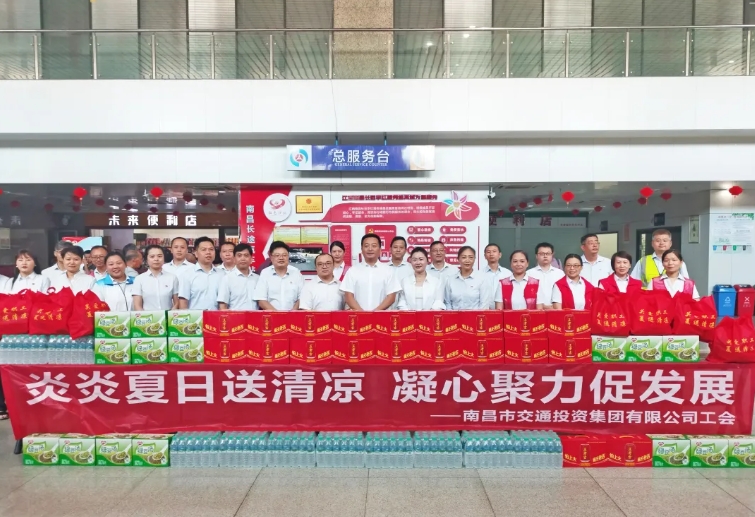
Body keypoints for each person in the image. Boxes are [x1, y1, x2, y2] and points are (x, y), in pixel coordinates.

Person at [341, 233, 401, 311]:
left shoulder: (388, 270)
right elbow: (348, 296)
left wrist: (375, 313)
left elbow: (391, 297)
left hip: (381, 316)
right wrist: (362, 313)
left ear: (380, 250)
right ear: (361, 249)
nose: (370, 249)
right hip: (359, 316)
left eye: (374, 246)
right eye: (366, 246)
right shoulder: (352, 271)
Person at [253, 241, 304, 310]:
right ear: (271, 257)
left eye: (284, 255)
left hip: (293, 315)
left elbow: (302, 297)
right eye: (277, 255)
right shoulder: (265, 273)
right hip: (271, 315)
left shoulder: (296, 273)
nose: (281, 258)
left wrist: (292, 313)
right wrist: (276, 314)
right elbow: (261, 300)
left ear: (288, 257)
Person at [178, 237, 223, 310]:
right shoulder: (187, 275)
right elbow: (183, 303)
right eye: (204, 249)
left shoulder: (222, 274)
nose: (208, 252)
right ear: (196, 253)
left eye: (211, 249)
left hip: (217, 316)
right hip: (195, 316)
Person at [132, 245, 179, 311]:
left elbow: (177, 303)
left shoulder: (172, 278)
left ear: (164, 258)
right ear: (146, 259)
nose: (156, 259)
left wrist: (169, 315)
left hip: (168, 316)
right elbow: (137, 306)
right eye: (152, 256)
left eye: (159, 256)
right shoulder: (139, 279)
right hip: (147, 317)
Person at [218, 243, 260, 310]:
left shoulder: (258, 279)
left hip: (255, 316)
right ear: (234, 258)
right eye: (239, 255)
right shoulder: (227, 279)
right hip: (234, 316)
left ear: (251, 258)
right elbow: (222, 305)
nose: (243, 258)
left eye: (246, 255)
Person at [526, 242, 565, 308]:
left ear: (552, 255)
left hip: (556, 309)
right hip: (535, 309)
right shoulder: (529, 274)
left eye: (548, 254)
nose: (545, 256)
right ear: (536, 256)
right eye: (542, 254)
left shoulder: (560, 274)